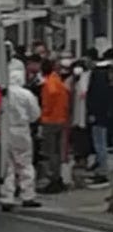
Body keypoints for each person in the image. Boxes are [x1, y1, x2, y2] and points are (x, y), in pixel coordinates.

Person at [1, 69, 42, 211]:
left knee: (8, 166)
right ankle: (27, 196)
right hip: (21, 130)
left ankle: (7, 197)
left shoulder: (4, 94)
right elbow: (35, 114)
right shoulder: (27, 94)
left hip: (5, 130)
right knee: (25, 163)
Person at [39, 58, 70, 194]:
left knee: (50, 152)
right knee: (57, 151)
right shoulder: (58, 80)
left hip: (51, 120)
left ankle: (53, 179)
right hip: (61, 119)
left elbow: (49, 98)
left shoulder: (49, 83)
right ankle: (57, 177)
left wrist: (44, 114)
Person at [86, 48, 112, 190]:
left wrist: (92, 112)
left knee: (99, 143)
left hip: (99, 114)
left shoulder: (98, 74)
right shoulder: (106, 74)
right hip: (105, 113)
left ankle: (102, 172)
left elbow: (96, 96)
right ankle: (101, 169)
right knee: (101, 142)